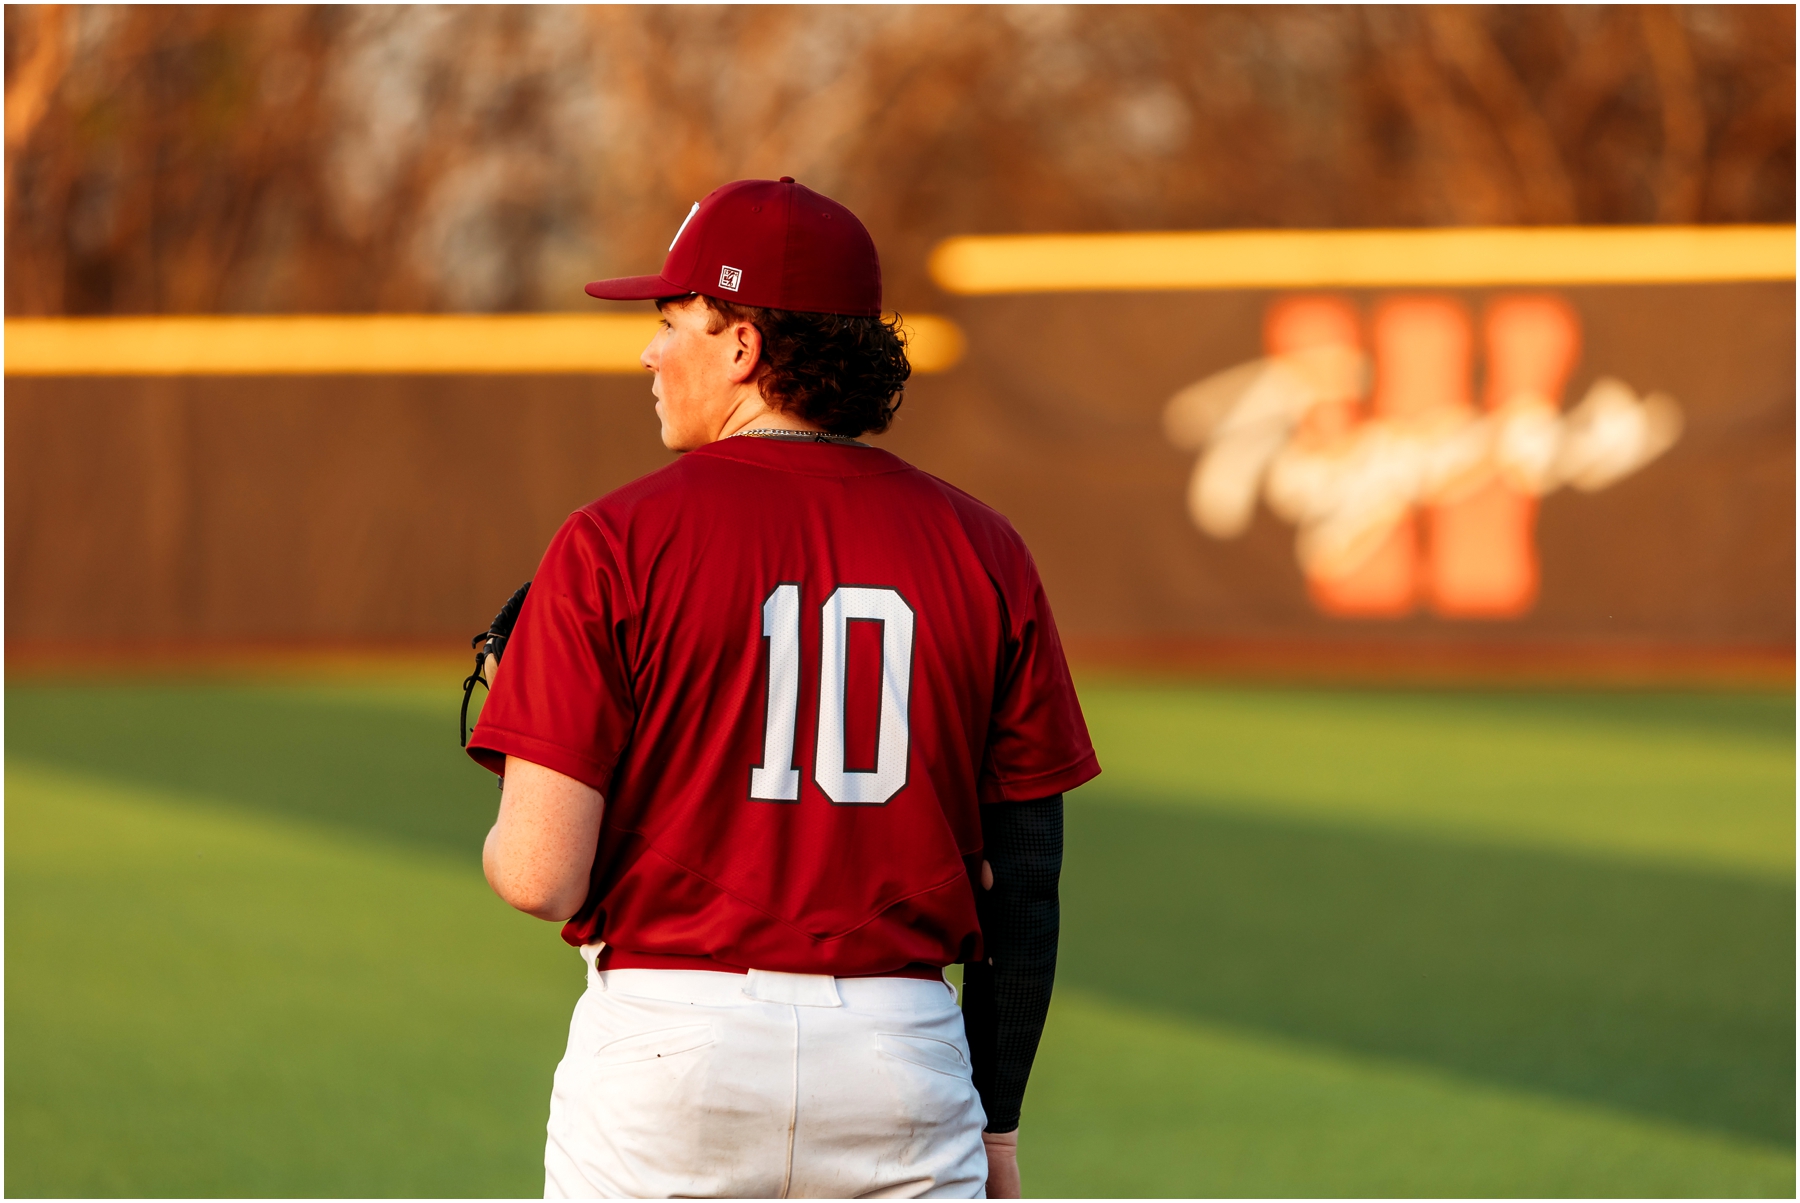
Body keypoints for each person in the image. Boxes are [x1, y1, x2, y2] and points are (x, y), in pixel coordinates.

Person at [466, 177, 1099, 1199]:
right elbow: (1024, 884)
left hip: (674, 1058)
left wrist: (519, 774)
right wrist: (998, 1120)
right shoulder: (985, 547)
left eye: (674, 321)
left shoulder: (614, 540)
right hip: (902, 1063)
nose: (650, 350)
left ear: (744, 347)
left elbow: (542, 876)